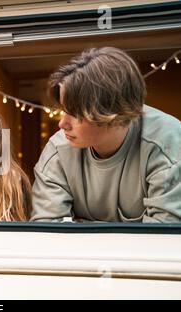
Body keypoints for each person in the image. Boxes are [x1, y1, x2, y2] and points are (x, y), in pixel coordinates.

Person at [31, 47, 181, 223]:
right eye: (63, 111)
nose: (62, 124)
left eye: (75, 114)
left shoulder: (167, 144)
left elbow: (163, 240)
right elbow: (48, 235)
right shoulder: (58, 150)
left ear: (112, 112)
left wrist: (83, 226)